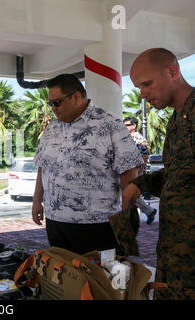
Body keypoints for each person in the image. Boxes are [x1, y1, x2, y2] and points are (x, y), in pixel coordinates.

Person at [32, 74, 143, 255]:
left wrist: (125, 217)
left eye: (57, 102)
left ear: (76, 97)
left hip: (98, 224)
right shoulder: (52, 127)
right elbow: (43, 165)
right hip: (56, 221)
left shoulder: (110, 123)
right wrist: (37, 200)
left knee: (101, 279)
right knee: (65, 278)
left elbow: (128, 172)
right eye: (50, 104)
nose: (53, 108)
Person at [123, 48, 194, 300]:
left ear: (173, 72)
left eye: (147, 84)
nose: (142, 94)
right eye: (138, 87)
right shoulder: (176, 120)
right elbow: (178, 173)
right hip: (175, 257)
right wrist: (139, 184)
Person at [123, 117, 157, 224]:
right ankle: (149, 211)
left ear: (134, 126)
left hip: (136, 170)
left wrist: (139, 171)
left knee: (130, 193)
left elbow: (145, 154)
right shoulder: (126, 138)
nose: (124, 127)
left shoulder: (139, 138)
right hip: (128, 170)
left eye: (127, 125)